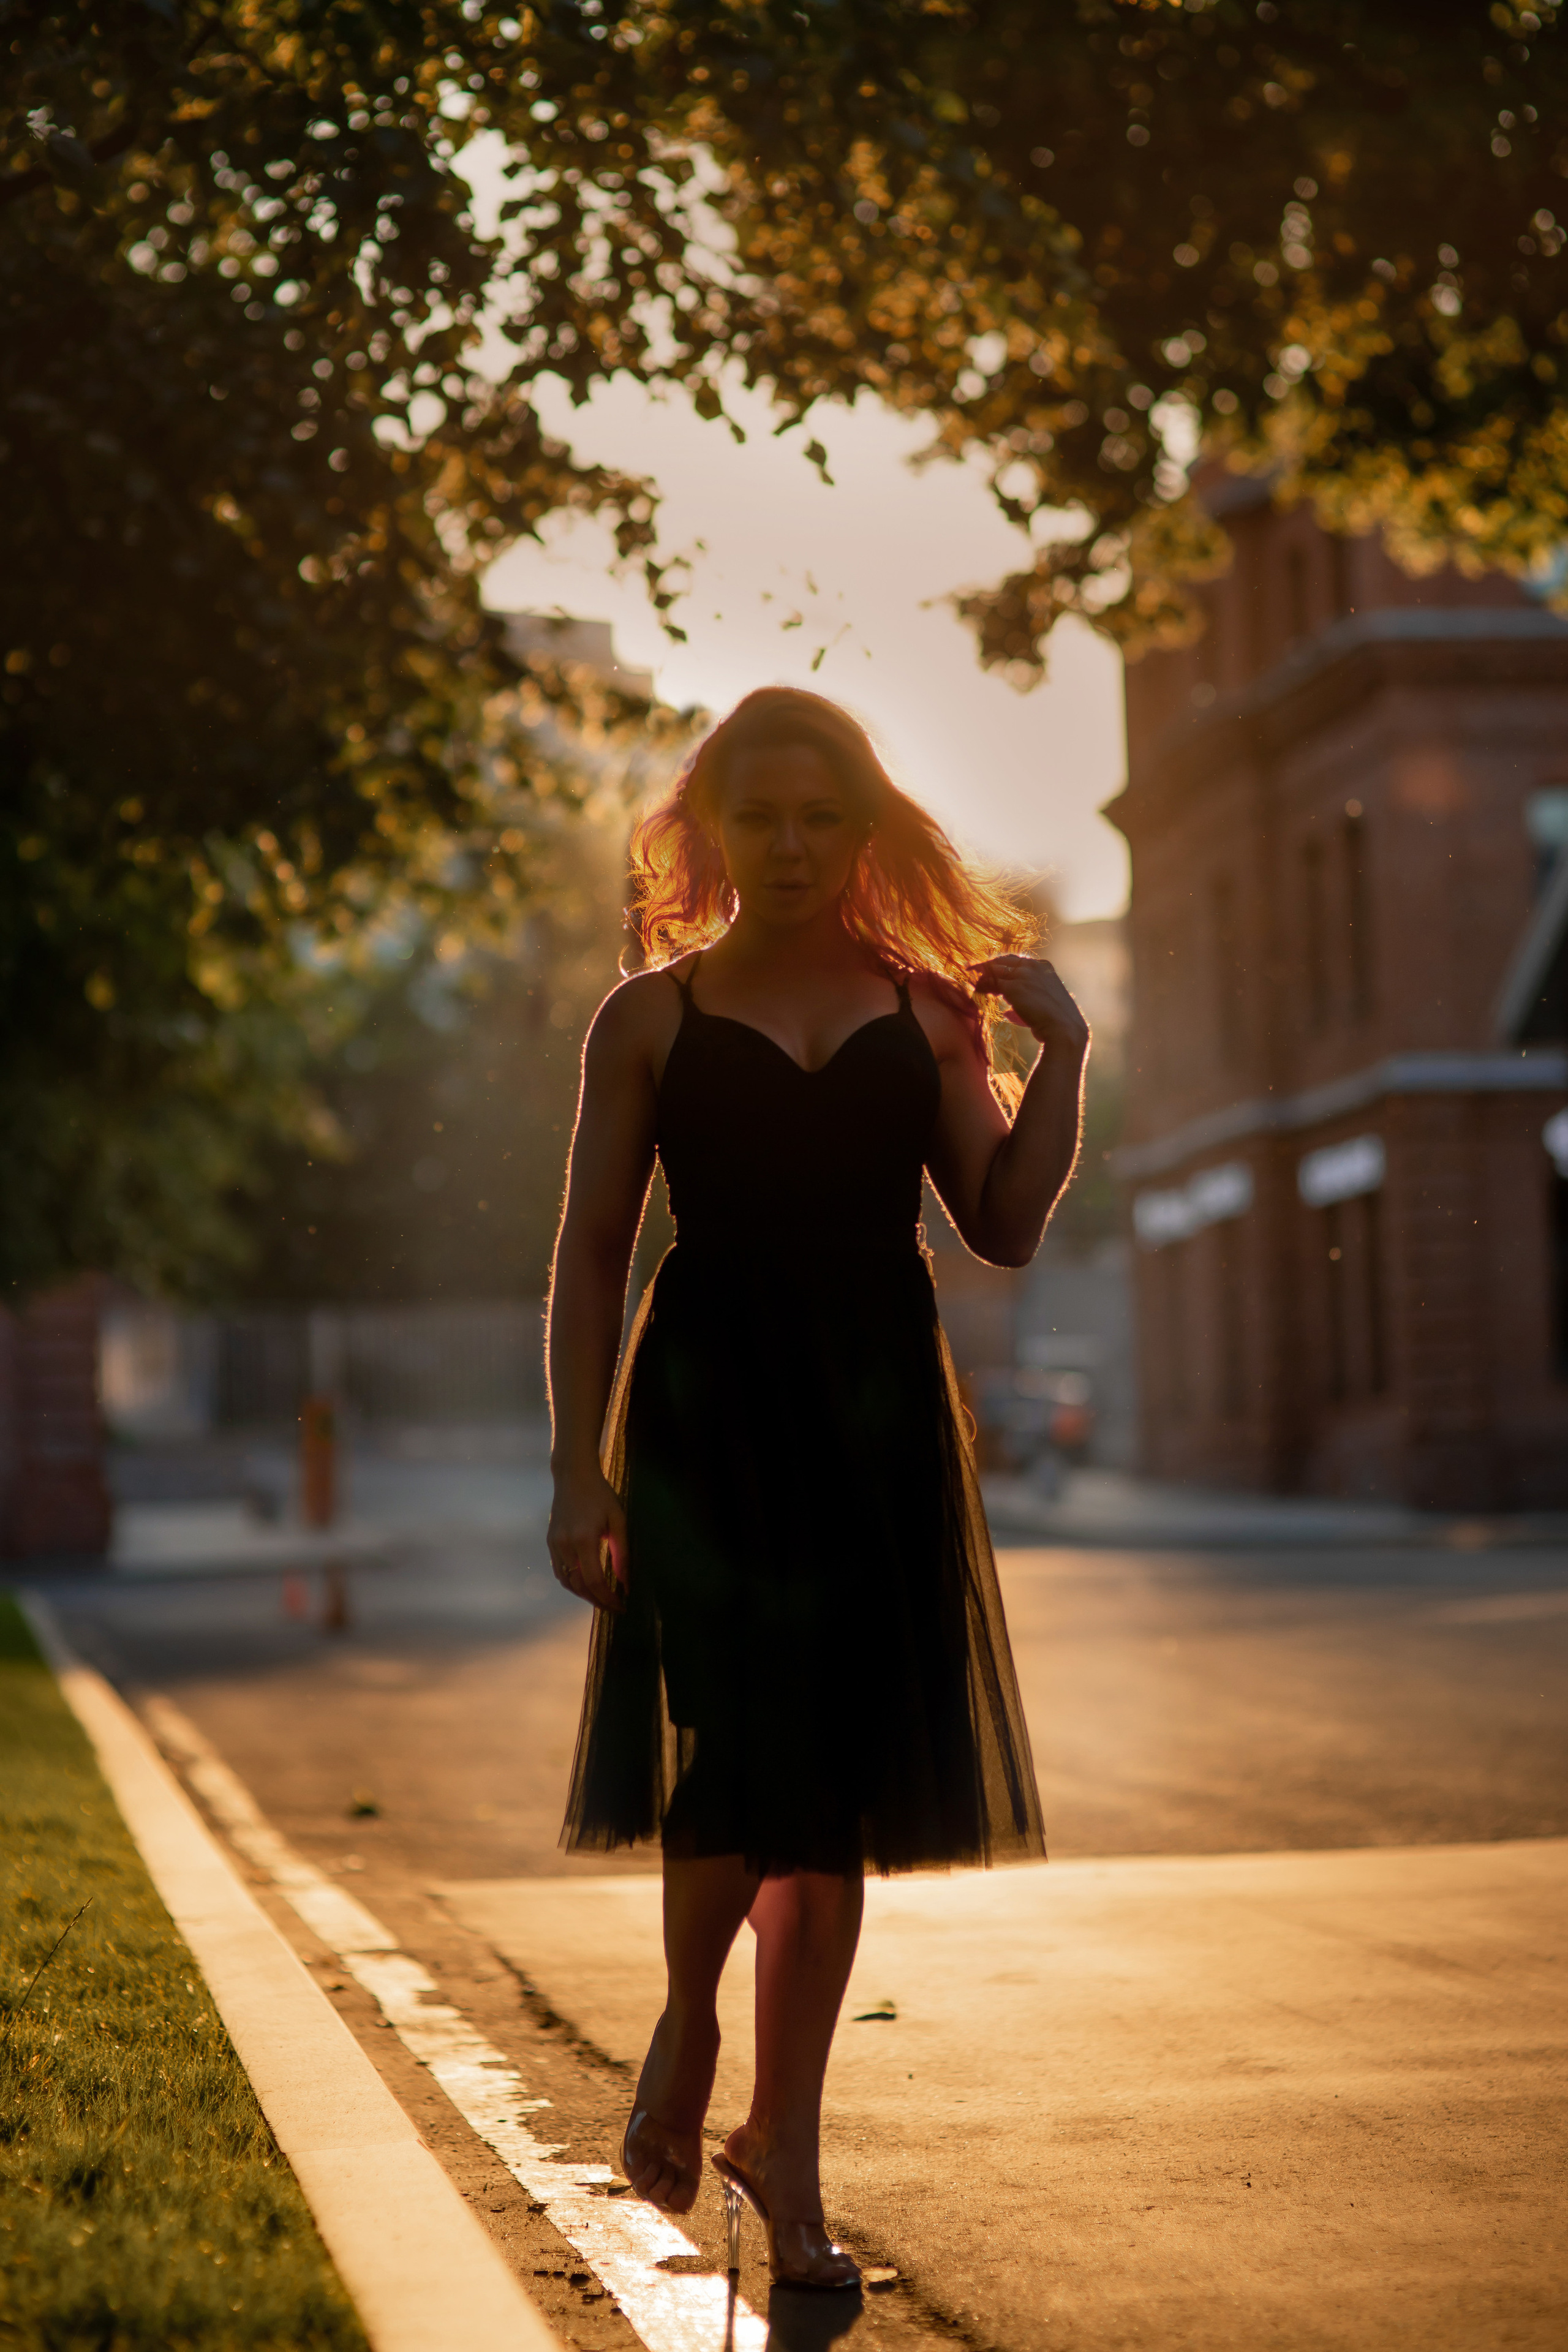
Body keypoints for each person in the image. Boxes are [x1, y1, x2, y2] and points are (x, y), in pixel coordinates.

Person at [545, 687, 1088, 2289]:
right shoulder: (647, 1017)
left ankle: (790, 2155)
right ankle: (690, 2031)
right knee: (735, 1754)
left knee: (833, 1790)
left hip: (875, 1422)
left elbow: (1003, 1222)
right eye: (757, 814)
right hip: (708, 1413)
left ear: (862, 831)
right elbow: (586, 1253)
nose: (786, 845)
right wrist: (577, 1465)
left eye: (818, 816)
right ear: (709, 826)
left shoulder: (931, 1015)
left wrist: (1064, 1056)